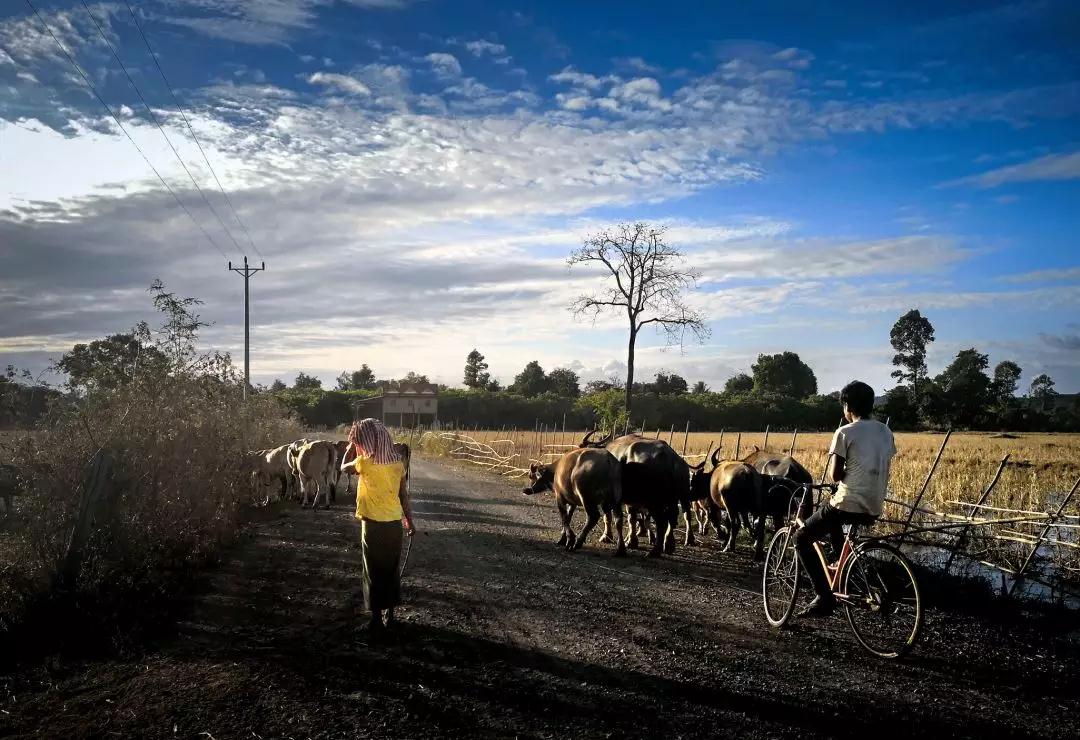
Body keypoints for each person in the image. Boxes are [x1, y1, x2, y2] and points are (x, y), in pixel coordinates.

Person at [794, 380, 896, 617]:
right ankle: (841, 569)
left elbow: (836, 474)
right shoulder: (885, 431)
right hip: (875, 503)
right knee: (832, 519)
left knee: (801, 537)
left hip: (848, 501)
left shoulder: (844, 432)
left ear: (847, 406)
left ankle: (823, 597)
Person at [340, 418, 416, 633]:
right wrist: (410, 521)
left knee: (372, 571)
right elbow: (403, 496)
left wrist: (350, 449)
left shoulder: (363, 462)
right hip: (394, 525)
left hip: (372, 526)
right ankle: (390, 617)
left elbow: (342, 467)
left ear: (365, 441)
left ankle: (375, 621)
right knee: (390, 570)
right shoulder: (398, 464)